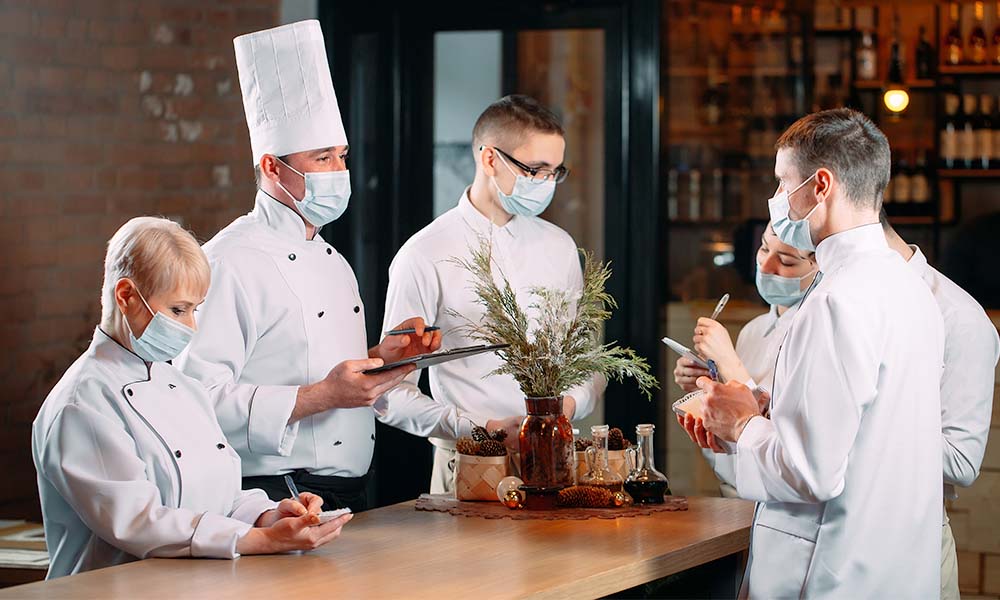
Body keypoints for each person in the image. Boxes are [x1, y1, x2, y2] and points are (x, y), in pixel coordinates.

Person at [680, 109, 945, 597]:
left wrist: (741, 424)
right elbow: (867, 431)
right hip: (897, 568)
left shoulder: (835, 300)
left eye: (782, 183)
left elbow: (810, 473)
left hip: (828, 572)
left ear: (820, 185)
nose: (777, 199)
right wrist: (763, 405)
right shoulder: (910, 289)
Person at [177, 20, 439, 512]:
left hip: (348, 495)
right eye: (321, 159)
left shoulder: (333, 260)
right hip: (275, 497)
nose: (339, 173)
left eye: (341, 156)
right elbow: (195, 400)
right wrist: (321, 396)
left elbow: (325, 368)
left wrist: (385, 357)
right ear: (273, 167)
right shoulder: (229, 260)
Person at [32, 218, 351, 580]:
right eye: (178, 310)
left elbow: (223, 496)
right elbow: (138, 522)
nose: (191, 327)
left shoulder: (182, 385)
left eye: (195, 309)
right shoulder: (82, 403)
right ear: (125, 296)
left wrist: (274, 515)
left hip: (193, 585)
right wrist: (261, 539)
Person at [376, 95, 606, 493]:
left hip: (558, 464)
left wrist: (566, 408)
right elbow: (389, 393)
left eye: (555, 171)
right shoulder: (425, 253)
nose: (547, 184)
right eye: (535, 170)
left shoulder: (560, 246)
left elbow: (588, 361)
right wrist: (478, 429)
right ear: (489, 159)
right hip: (470, 464)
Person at [880, 211, 999, 600]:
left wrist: (858, 416)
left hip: (908, 542)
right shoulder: (836, 299)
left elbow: (962, 461)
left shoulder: (960, 318)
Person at [673, 223, 817, 497]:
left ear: (819, 266)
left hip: (782, 501)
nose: (765, 266)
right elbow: (734, 437)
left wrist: (729, 362)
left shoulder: (815, 334)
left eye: (786, 261)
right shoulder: (753, 330)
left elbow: (786, 443)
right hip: (736, 492)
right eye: (763, 248)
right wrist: (706, 385)